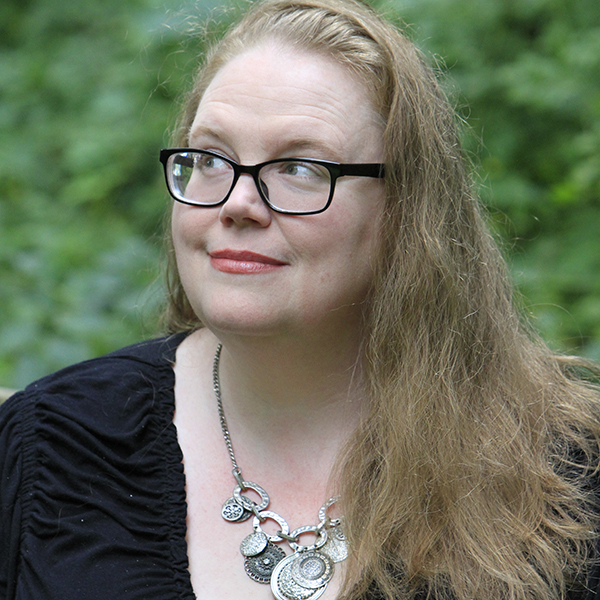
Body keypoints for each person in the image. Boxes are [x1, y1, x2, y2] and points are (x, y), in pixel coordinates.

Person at [1, 0, 600, 598]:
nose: (236, 203)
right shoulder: (54, 446)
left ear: (405, 213)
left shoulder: (567, 472)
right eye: (210, 158)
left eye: (301, 168)